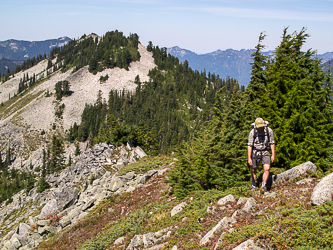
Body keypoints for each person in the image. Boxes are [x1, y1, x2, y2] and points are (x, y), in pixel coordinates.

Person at [247, 117, 275, 193]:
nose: (260, 128)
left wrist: (273, 154)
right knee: (253, 169)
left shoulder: (269, 131)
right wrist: (249, 158)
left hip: (265, 151)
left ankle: (263, 185)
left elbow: (272, 143)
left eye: (262, 126)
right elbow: (250, 145)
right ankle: (253, 185)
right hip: (255, 152)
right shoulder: (253, 132)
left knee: (267, 168)